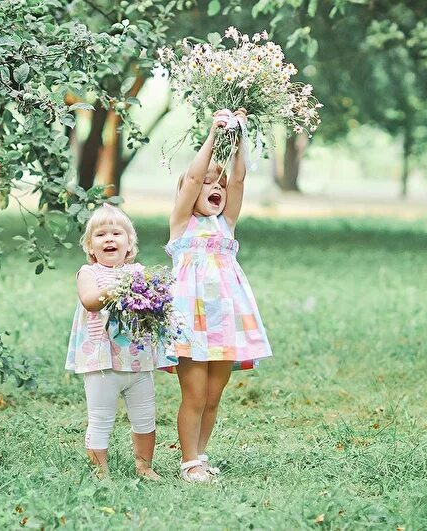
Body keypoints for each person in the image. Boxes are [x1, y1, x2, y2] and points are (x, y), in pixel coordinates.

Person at [165, 108, 273, 482]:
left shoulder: (226, 224)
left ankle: (201, 455)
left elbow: (239, 179)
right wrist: (214, 134)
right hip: (190, 325)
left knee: (213, 396)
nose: (215, 187)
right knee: (194, 395)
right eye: (207, 184)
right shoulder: (182, 225)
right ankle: (188, 461)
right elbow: (194, 175)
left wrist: (239, 135)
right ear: (188, 192)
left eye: (219, 185)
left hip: (225, 321)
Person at [66, 204, 163, 479]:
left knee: (145, 417)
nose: (109, 238)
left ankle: (144, 465)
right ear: (90, 246)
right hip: (100, 358)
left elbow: (153, 306)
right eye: (100, 235)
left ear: (129, 244)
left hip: (137, 357)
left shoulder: (139, 273)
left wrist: (154, 294)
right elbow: (90, 301)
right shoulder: (89, 273)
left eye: (117, 233)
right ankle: (99, 471)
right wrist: (120, 288)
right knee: (100, 417)